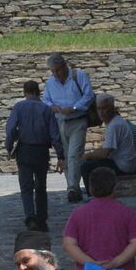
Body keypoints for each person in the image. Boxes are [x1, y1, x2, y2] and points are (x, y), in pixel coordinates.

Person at [5, 80, 65, 232]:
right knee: (40, 186)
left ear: (25, 92)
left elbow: (11, 128)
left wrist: (9, 147)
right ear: (39, 92)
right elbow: (55, 134)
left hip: (24, 149)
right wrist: (60, 156)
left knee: (26, 186)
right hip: (41, 150)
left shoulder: (19, 107)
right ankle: (42, 219)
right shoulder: (46, 109)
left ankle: (30, 218)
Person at [41, 53, 95, 205]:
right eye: (53, 71)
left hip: (78, 120)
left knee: (74, 155)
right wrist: (51, 107)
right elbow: (45, 100)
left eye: (57, 70)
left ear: (65, 66)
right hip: (60, 121)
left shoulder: (80, 76)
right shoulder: (51, 82)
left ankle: (73, 187)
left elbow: (89, 95)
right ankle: (71, 186)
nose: (56, 74)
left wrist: (74, 107)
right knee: (64, 155)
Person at [78, 94, 136, 197]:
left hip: (123, 167)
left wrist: (87, 156)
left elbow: (105, 153)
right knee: (93, 162)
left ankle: (92, 197)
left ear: (112, 108)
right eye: (99, 109)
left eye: (104, 108)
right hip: (123, 163)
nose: (101, 112)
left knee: (86, 167)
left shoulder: (114, 125)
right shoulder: (115, 122)